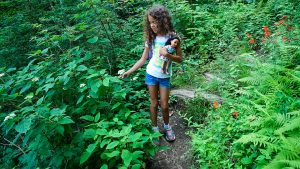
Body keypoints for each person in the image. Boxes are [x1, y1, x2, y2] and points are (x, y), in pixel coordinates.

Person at [120, 5, 182, 142]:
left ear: (163, 20)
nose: (152, 25)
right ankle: (154, 130)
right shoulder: (151, 38)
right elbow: (143, 59)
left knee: (165, 105)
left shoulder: (173, 37)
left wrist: (168, 55)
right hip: (151, 75)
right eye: (150, 23)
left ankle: (167, 127)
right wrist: (129, 72)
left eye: (155, 22)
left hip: (165, 77)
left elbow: (180, 59)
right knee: (153, 103)